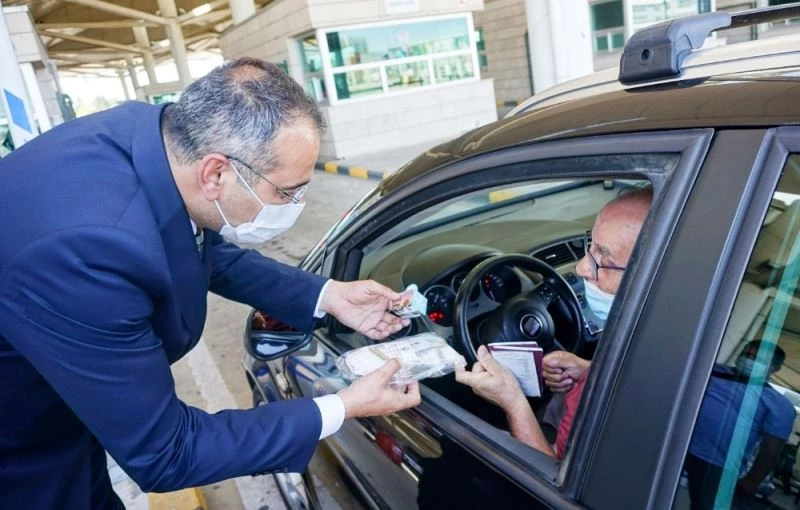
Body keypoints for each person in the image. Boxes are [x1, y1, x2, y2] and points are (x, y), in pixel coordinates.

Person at [0, 58, 420, 509]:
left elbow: (198, 246)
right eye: (286, 192)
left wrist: (329, 295)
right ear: (216, 173)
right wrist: (342, 406)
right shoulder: (87, 254)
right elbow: (167, 452)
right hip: (19, 446)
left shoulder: (157, 140)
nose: (296, 205)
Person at [455, 187, 652, 459]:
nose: (582, 267)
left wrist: (512, 401)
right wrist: (589, 369)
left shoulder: (596, 397)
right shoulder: (667, 334)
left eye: (603, 258)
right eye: (589, 245)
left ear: (655, 269)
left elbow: (555, 479)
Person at [684, 340, 795, 509]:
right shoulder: (710, 370)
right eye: (747, 354)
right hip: (675, 447)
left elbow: (771, 450)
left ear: (775, 369)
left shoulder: (779, 405)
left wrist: (752, 480)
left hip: (717, 464)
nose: (748, 360)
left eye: (757, 359)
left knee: (705, 506)